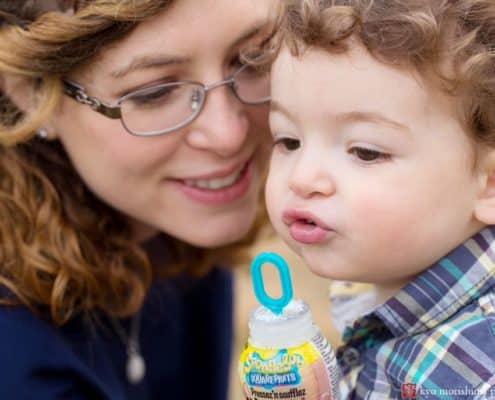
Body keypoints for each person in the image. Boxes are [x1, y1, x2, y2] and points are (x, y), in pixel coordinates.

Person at [0, 0, 273, 399]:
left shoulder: (173, 233)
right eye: (155, 92)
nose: (227, 133)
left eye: (252, 57)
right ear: (32, 93)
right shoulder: (16, 362)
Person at [259, 0, 495, 398]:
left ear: (488, 183)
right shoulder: (382, 287)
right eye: (288, 140)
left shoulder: (474, 372)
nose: (302, 178)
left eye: (365, 152)